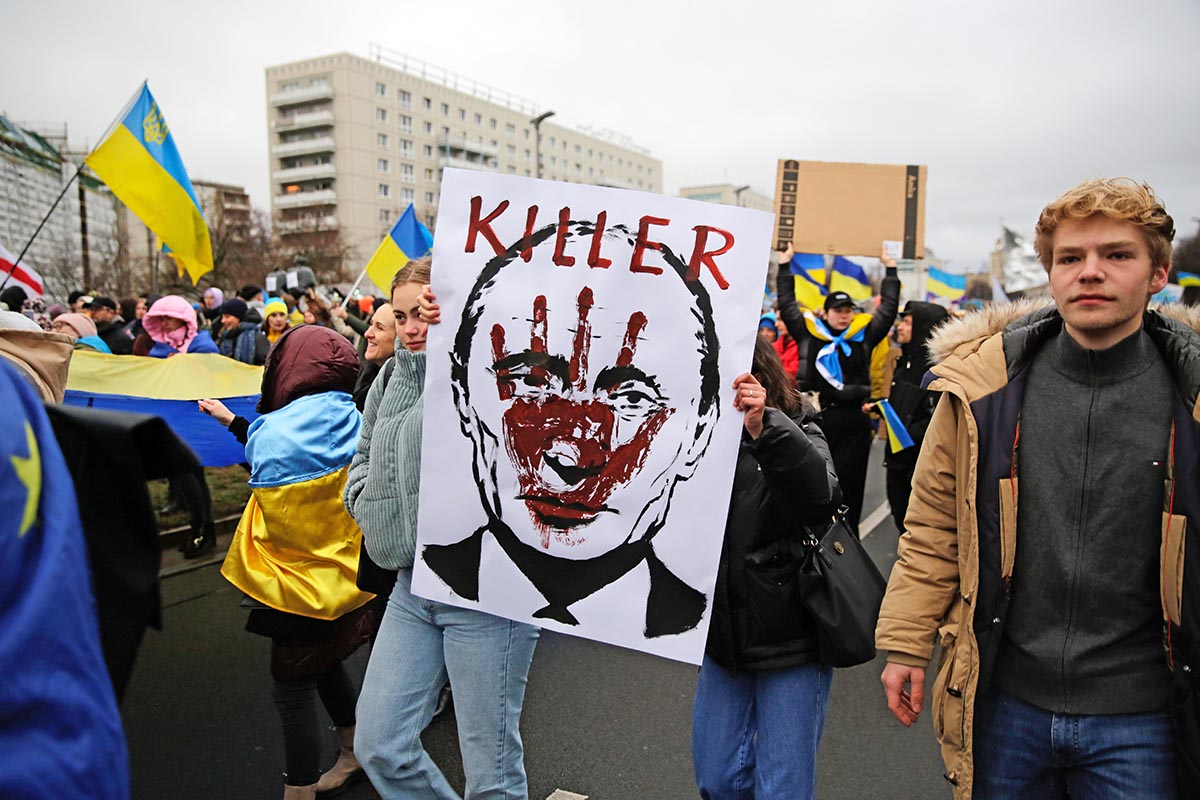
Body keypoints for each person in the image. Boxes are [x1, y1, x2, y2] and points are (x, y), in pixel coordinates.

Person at [877, 178, 1199, 798]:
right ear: (1050, 275)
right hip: (1006, 703)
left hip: (1144, 716)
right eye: (1070, 258)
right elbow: (934, 530)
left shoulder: (1192, 395)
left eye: (1117, 255)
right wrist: (905, 643)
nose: (1090, 272)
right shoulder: (980, 389)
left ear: (1158, 274)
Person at [422, 221, 722, 636]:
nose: (571, 456)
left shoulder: (696, 624)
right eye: (531, 385)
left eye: (632, 401)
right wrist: (420, 332)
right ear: (462, 395)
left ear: (700, 432)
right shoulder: (428, 579)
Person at [344, 256, 540, 800]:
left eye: (424, 314)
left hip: (486, 595)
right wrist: (368, 504)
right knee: (379, 744)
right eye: (401, 316)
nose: (411, 328)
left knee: (491, 776)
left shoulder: (490, 375)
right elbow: (363, 459)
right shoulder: (389, 378)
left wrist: (455, 338)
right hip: (411, 587)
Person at [201, 325, 375, 800]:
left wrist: (236, 423)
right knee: (324, 662)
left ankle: (299, 790)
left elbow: (266, 447)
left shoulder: (275, 431)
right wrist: (229, 420)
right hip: (347, 577)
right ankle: (354, 748)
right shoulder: (359, 418)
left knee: (291, 688)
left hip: (290, 581)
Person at [691, 337, 840, 800]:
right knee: (718, 779)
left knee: (782, 789)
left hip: (792, 637)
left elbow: (822, 496)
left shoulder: (797, 423)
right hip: (724, 636)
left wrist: (766, 427)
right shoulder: (691, 432)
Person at [776, 246, 900, 534]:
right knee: (814, 484)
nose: (844, 316)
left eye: (848, 311)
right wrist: (784, 266)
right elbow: (788, 305)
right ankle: (813, 540)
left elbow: (887, 311)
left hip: (853, 422)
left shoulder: (862, 337)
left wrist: (891, 269)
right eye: (838, 311)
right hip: (817, 420)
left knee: (851, 487)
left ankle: (849, 539)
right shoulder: (809, 335)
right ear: (827, 312)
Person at [871, 300, 948, 532]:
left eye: (907, 322)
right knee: (901, 519)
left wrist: (906, 433)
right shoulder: (904, 361)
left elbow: (939, 419)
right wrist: (881, 409)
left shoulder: (938, 370)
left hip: (921, 467)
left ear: (925, 327)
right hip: (897, 462)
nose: (900, 327)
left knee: (920, 530)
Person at [352, 301, 396, 411]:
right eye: (371, 324)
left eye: (379, 327)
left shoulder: (394, 393)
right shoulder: (368, 375)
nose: (367, 333)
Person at [142, 295, 220, 356]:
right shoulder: (160, 347)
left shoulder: (204, 347)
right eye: (161, 319)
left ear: (182, 319)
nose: (163, 323)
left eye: (169, 319)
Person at [216, 298, 269, 365]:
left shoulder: (257, 338)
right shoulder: (224, 336)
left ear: (239, 317)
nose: (223, 321)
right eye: (222, 317)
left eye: (227, 317)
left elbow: (265, 363)